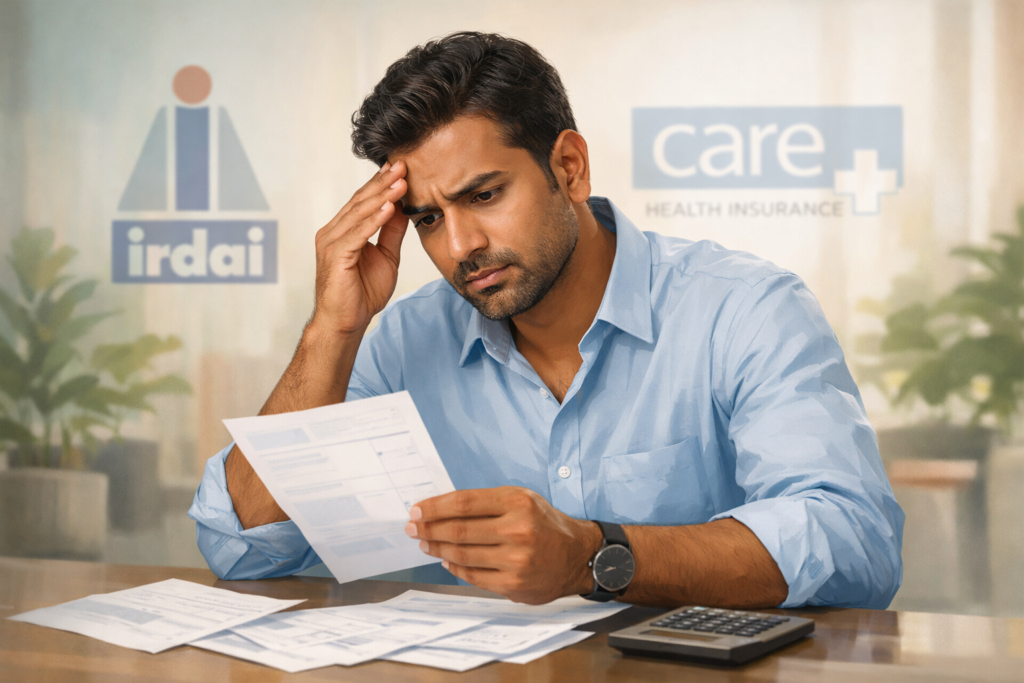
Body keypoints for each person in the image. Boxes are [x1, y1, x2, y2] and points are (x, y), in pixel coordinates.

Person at [189, 31, 903, 609]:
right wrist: (331, 330)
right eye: (429, 218)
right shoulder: (404, 343)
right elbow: (244, 545)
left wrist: (594, 554)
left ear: (569, 167)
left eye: (485, 194)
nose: (461, 245)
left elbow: (852, 539)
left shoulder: (743, 311)